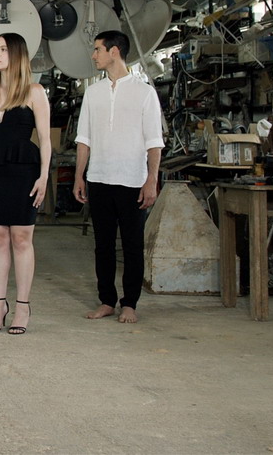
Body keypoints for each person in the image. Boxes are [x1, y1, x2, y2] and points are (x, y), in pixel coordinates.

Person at [74, 30, 164, 325]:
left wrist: (151, 180)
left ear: (115, 52)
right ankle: (107, 300)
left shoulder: (144, 92)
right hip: (99, 178)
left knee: (132, 245)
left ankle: (130, 303)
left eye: (98, 49)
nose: (94, 55)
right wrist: (79, 176)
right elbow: (83, 139)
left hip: (132, 181)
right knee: (102, 245)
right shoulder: (93, 93)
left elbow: (154, 142)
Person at [0, 33, 50, 335]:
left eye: (3, 49)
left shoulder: (34, 92)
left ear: (17, 54)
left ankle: (23, 306)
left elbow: (44, 140)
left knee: (21, 238)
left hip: (24, 170)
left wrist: (44, 176)